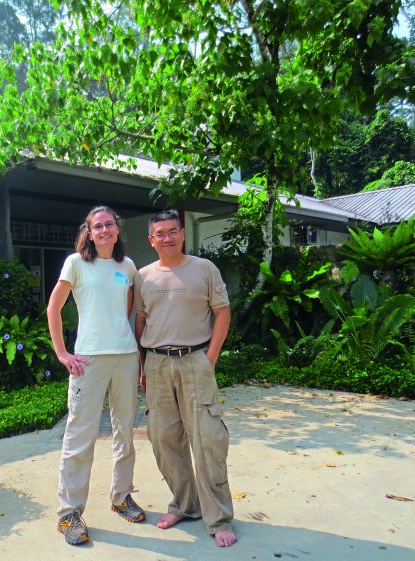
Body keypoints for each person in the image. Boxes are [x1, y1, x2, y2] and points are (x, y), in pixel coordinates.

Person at [133, 210, 237, 548]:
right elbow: (141, 321)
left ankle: (218, 517)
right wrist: (141, 364)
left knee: (207, 440)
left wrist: (210, 359)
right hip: (157, 365)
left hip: (195, 360)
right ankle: (185, 505)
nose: (166, 237)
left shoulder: (204, 269)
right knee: (163, 439)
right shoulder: (143, 276)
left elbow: (222, 313)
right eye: (159, 233)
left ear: (182, 235)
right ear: (151, 240)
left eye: (172, 231)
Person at [47, 205, 145, 546]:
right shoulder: (76, 263)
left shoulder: (127, 266)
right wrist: (62, 353)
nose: (104, 230)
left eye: (109, 225)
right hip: (88, 360)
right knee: (80, 435)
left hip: (126, 356)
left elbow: (129, 311)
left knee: (125, 431)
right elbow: (53, 308)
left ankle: (121, 497)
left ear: (117, 230)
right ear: (88, 232)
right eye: (97, 226)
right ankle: (69, 513)